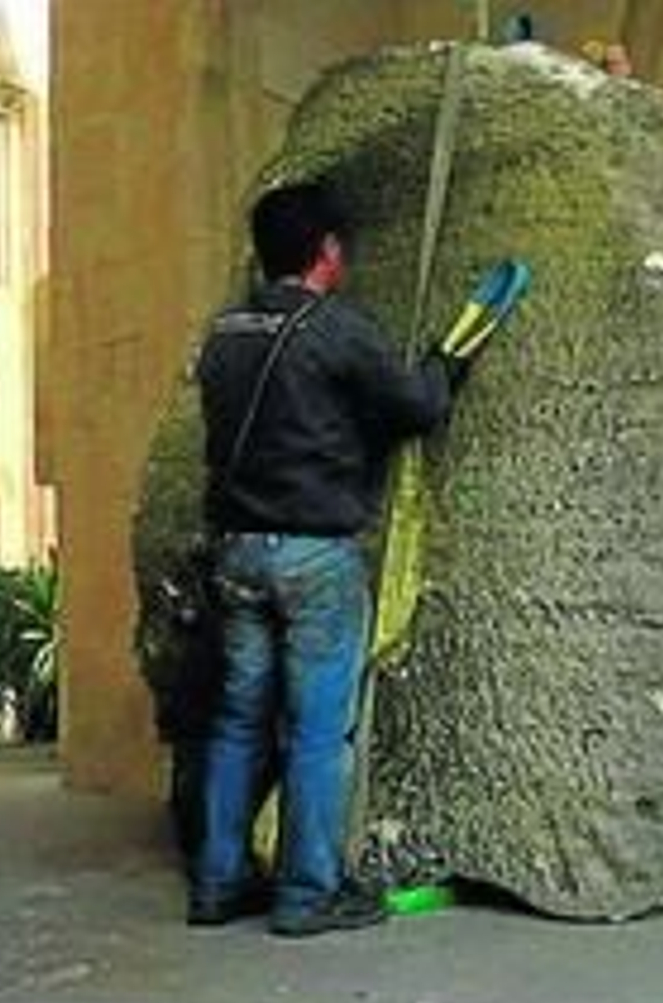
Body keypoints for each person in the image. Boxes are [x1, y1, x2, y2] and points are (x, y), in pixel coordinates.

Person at [185, 182, 472, 937]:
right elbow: (417, 405)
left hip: (236, 553)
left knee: (238, 722)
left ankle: (217, 883)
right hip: (312, 556)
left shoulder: (224, 330)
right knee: (318, 730)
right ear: (329, 251)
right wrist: (446, 365)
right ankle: (308, 892)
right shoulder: (333, 327)